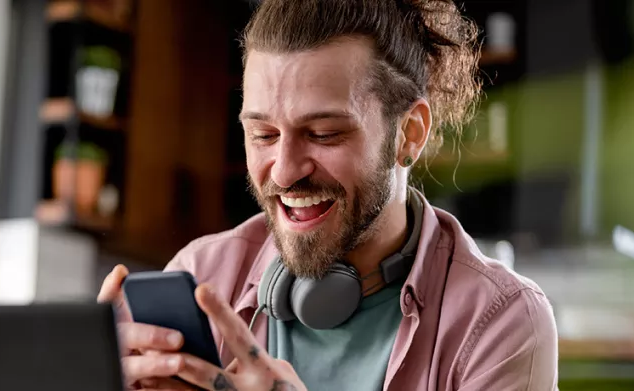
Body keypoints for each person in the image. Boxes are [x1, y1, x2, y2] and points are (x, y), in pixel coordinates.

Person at [96, 0, 558, 389]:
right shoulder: (201, 277)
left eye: (323, 133)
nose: (284, 170)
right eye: (262, 134)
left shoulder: (501, 321)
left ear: (409, 134)